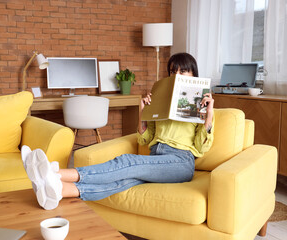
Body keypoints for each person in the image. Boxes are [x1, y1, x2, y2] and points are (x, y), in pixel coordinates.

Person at [21, 52, 215, 210]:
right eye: (173, 72)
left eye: (184, 71)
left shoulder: (201, 106)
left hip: (180, 162)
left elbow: (201, 146)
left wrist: (209, 114)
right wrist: (143, 110)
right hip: (156, 155)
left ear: (193, 75)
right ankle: (61, 190)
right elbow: (144, 139)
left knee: (126, 161)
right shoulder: (161, 97)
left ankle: (56, 174)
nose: (177, 75)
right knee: (124, 180)